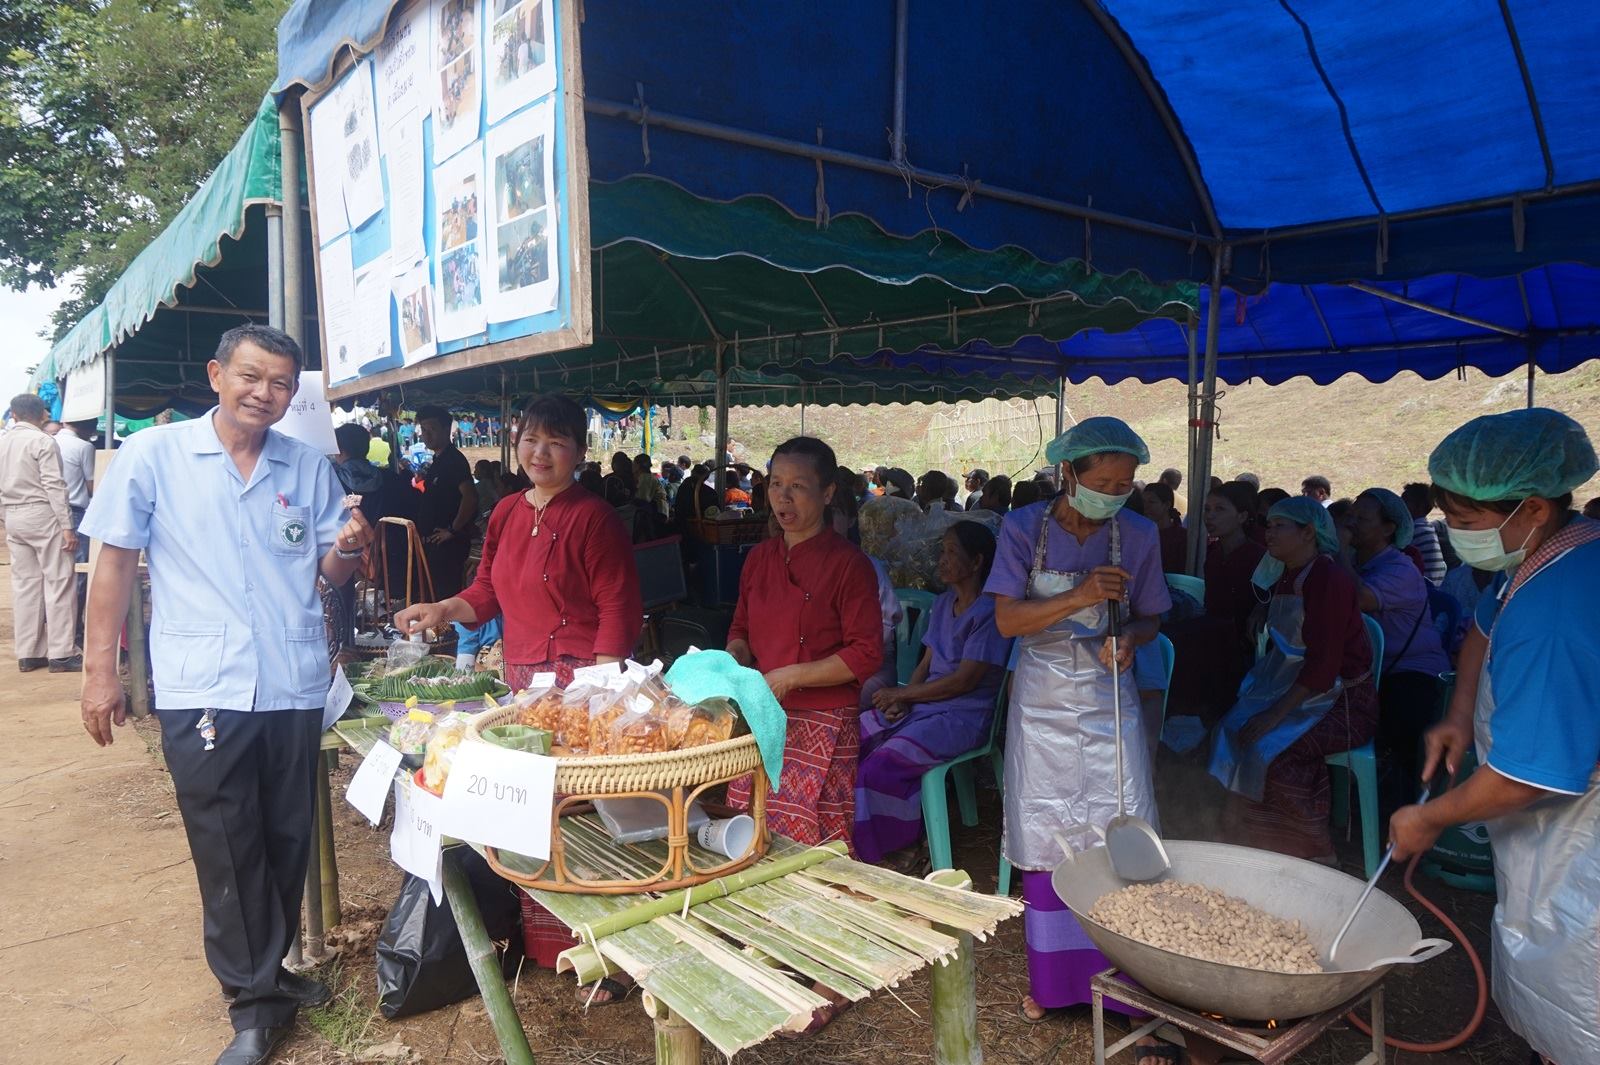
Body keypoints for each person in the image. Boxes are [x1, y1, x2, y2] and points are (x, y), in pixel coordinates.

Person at [79, 324, 375, 1065]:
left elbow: (329, 570)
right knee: (226, 842)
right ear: (216, 374)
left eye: (280, 384)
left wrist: (347, 548)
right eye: (250, 376)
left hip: (291, 681)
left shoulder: (306, 466)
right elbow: (112, 565)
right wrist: (99, 672)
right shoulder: (155, 455)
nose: (263, 393)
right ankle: (253, 1005)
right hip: (204, 683)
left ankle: (270, 970)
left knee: (284, 836)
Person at [395, 394, 643, 1000]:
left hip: (581, 686)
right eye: (531, 439)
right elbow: (487, 589)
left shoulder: (594, 518)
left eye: (557, 442)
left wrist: (599, 695)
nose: (541, 453)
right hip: (522, 684)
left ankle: (609, 953)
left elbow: (618, 604)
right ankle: (549, 944)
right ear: (516, 443)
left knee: (586, 814)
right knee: (535, 812)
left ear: (579, 451)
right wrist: (443, 609)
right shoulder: (507, 511)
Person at [1389, 408, 1599, 1065]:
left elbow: (1523, 777)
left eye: (1467, 519)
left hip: (1583, 833)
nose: (1455, 533)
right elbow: (1484, 624)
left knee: (1583, 984)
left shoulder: (1557, 609)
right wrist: (1458, 713)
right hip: (1548, 830)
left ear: (1533, 506)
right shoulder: (1551, 554)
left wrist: (1428, 818)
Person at [985, 417, 1169, 1023]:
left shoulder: (1139, 534)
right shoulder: (1022, 528)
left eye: (1124, 485)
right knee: (1047, 832)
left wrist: (1131, 638)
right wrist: (1080, 597)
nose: (1114, 495)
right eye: (1103, 483)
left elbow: (1151, 616)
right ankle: (1057, 983)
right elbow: (1008, 621)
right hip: (1041, 703)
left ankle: (1129, 986)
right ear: (1069, 472)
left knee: (1121, 821)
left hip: (1109, 698)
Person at [726, 436, 883, 850]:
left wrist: (791, 676)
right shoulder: (759, 558)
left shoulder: (849, 565)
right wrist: (730, 661)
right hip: (763, 712)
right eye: (776, 484)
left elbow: (865, 653)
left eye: (797, 486)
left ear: (827, 493)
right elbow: (741, 629)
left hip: (824, 719)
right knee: (747, 827)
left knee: (814, 840)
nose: (783, 497)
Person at [1209, 497, 1377, 863]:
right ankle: (1239, 829)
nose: (1269, 533)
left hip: (1344, 701)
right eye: (1268, 525)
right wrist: (1262, 608)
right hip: (1296, 689)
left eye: (1279, 526)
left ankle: (1315, 851)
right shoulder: (1286, 574)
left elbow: (1324, 665)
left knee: (1272, 748)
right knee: (1231, 728)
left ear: (1308, 532)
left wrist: (1274, 716)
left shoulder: (1328, 579)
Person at [856, 523, 1010, 869]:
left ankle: (904, 847)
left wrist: (905, 694)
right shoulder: (942, 604)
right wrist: (902, 700)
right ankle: (866, 835)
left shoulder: (989, 613)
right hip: (926, 705)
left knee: (882, 765)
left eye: (951, 552)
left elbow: (963, 682)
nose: (942, 560)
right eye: (943, 551)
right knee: (856, 737)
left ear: (977, 562)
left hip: (964, 717)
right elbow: (926, 663)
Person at [1347, 488, 1451, 820]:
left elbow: (1358, 599)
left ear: (1389, 529)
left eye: (1362, 519)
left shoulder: (1400, 568)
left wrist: (1335, 552)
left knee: (1400, 718)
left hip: (1411, 671)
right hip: (1371, 671)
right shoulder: (1356, 563)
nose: (1351, 524)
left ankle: (1408, 812)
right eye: (1351, 516)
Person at [1165, 481, 1266, 723]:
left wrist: (1261, 609)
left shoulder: (1258, 557)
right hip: (1211, 636)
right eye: (1207, 509)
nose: (1210, 516)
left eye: (1220, 509)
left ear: (1242, 516)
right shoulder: (1214, 553)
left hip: (1240, 647)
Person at [0, 393, 80, 671]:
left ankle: (29, 652)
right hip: (43, 513)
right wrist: (67, 526)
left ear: (14, 415)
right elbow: (55, 486)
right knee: (59, 581)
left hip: (13, 514)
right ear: (43, 415)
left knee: (26, 584)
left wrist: (6, 517)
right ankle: (61, 653)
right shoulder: (43, 441)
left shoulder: (3, 442)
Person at [414, 405, 478, 598]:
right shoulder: (438, 459)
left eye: (432, 429)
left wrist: (452, 530)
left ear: (446, 429)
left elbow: (470, 497)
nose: (427, 435)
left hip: (448, 545)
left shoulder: (453, 460)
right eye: (424, 429)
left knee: (445, 596)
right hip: (434, 543)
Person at [332, 423, 385, 647]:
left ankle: (347, 647)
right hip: (388, 556)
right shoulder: (389, 478)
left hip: (347, 556)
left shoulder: (331, 479)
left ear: (339, 448)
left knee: (343, 608)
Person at [55, 417, 96, 636]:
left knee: (55, 572)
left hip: (48, 513)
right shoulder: (84, 447)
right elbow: (92, 486)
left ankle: (57, 628)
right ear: (88, 426)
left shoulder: (48, 441)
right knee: (79, 572)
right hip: (75, 513)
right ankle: (74, 630)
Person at [1402, 482, 1447, 584]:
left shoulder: (1415, 530)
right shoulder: (1426, 527)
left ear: (1420, 507)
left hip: (1424, 586)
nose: (1401, 505)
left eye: (1405, 501)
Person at [1141, 481, 1188, 573]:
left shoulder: (1182, 537)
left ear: (1166, 505)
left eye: (1151, 502)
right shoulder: (1139, 535)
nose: (1145, 506)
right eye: (1143, 502)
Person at [632, 453, 668, 518]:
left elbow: (643, 499)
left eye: (633, 463)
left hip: (658, 513)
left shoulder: (646, 478)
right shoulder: (647, 477)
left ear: (638, 466)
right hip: (660, 511)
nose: (632, 466)